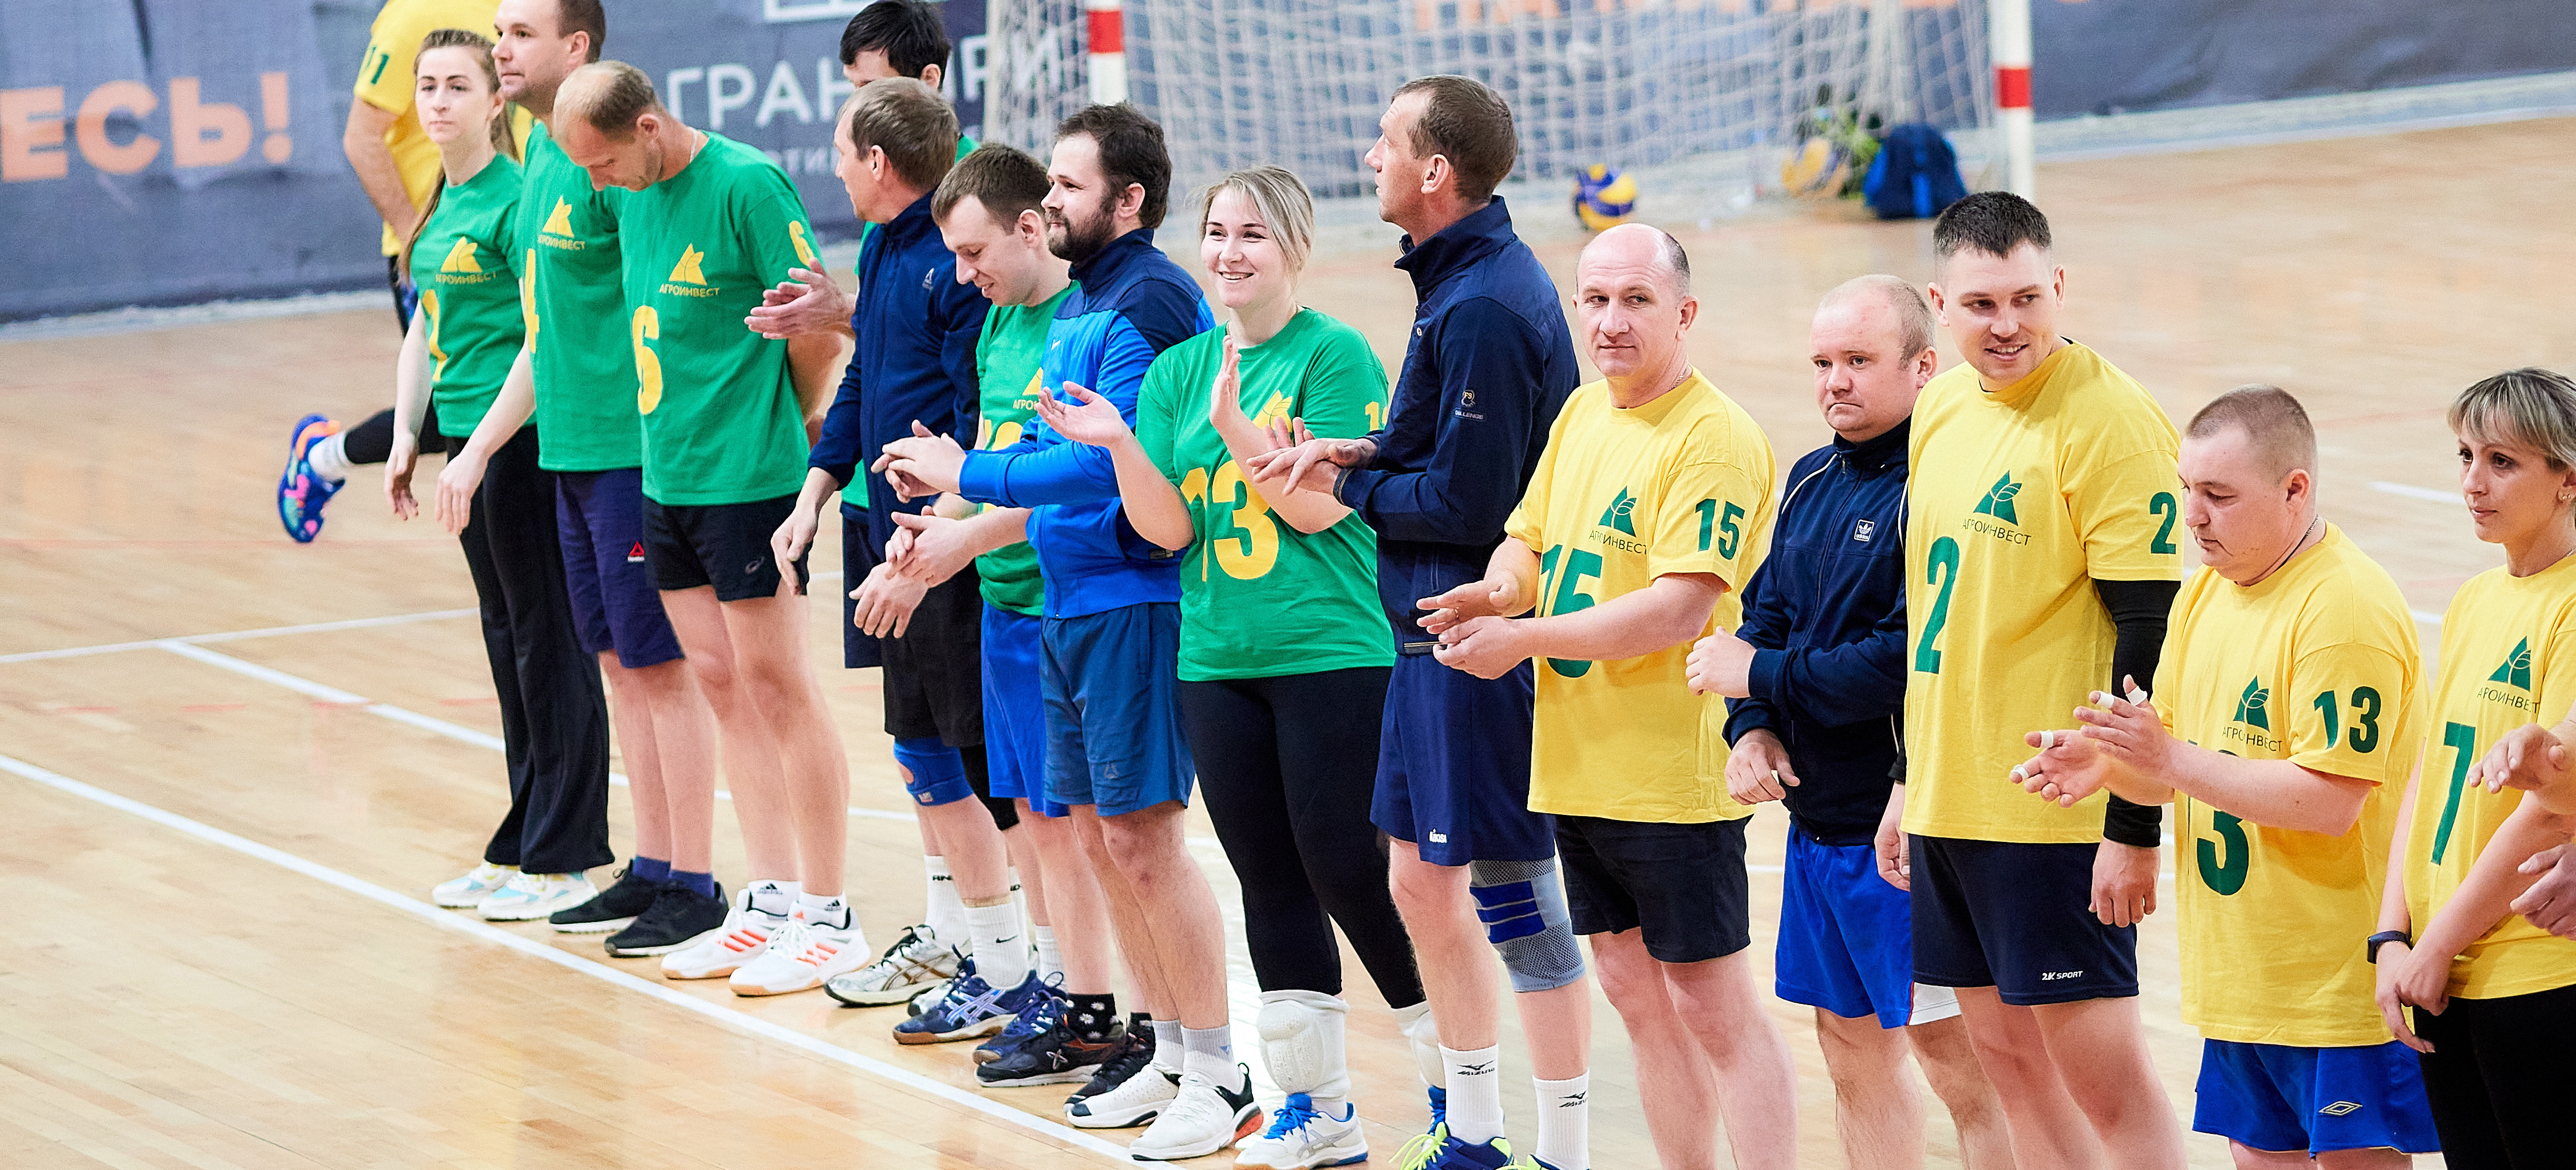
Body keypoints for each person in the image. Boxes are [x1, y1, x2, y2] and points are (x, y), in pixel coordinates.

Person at [1033, 164, 1430, 1169]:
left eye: (1252, 234)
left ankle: (1452, 1080)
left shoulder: (1333, 355)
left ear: (1292, 246)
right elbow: (1166, 530)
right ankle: (1319, 1110)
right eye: (1217, 232)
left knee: (1345, 868)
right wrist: (1124, 439)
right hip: (1217, 656)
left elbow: (1317, 509)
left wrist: (1237, 428)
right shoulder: (1179, 371)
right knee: (1270, 880)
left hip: (1329, 651)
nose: (1228, 252)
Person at [874, 104, 1248, 1161]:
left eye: (1071, 189)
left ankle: (1219, 1067)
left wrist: (966, 476)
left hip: (1134, 595)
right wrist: (954, 511)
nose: (1052, 204)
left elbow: (1101, 464)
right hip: (1066, 600)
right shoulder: (1086, 301)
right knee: (1094, 833)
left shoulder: (1151, 298)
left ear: (1128, 201)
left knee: (1143, 839)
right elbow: (1045, 441)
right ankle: (1169, 1047)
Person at [1247, 75, 1587, 1170]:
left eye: (1389, 141)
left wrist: (1343, 493)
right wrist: (1343, 449)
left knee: (1516, 900)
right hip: (1423, 641)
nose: (1370, 153)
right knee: (1417, 882)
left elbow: (1471, 503)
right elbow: (1428, 441)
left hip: (1474, 640)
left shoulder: (1486, 299)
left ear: (1435, 171)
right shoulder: (1455, 283)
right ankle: (1477, 1130)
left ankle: (1558, 1146)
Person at [1418, 224, 1787, 1170]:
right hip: (1578, 768)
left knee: (1713, 1004)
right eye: (1595, 300)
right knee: (1632, 990)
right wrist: (1498, 589)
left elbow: (1676, 610)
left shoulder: (1716, 437)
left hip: (1674, 775)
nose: (1610, 322)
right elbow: (1528, 540)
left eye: (1635, 301)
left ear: (1685, 313)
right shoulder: (1584, 414)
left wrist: (1521, 639)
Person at [2012, 385, 2436, 1167]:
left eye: (2219, 495)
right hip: (2241, 978)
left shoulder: (2344, 608)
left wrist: (2164, 757)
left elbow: (2331, 800)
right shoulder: (2206, 589)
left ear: (2295, 489)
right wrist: (2108, 759)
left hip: (2334, 991)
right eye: (2188, 491)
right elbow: (2184, 760)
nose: (2194, 515)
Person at [417, 0, 734, 957]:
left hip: (632, 453)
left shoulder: (611, 167)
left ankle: (695, 878)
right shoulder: (549, 158)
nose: (501, 46)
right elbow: (544, 327)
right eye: (499, 34)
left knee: (660, 663)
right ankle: (648, 862)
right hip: (567, 450)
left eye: (518, 34)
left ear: (576, 47)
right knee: (614, 661)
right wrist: (468, 444)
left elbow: (665, 300)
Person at [1692, 275, 2013, 1170]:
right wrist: (1751, 725)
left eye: (1859, 361)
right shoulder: (1810, 477)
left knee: (1963, 1063)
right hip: (1819, 829)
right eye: (1824, 362)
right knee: (1849, 1047)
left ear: (1923, 366)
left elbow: (1902, 660)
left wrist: (1756, 672)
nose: (1835, 381)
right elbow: (1766, 617)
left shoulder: (1938, 490)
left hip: (1908, 834)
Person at [552, 61, 858, 996]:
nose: (597, 186)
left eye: (604, 164)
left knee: (778, 684)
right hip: (665, 475)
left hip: (749, 480)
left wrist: (791, 425)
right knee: (721, 683)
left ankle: (826, 912)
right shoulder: (631, 193)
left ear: (648, 128)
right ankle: (764, 901)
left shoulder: (746, 184)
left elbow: (815, 324)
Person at [1900, 191, 2187, 1169]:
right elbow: (1937, 614)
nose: (2008, 324)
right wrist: (1910, 778)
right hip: (1951, 800)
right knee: (2007, 1068)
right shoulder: (1940, 405)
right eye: (1981, 305)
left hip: (2053, 814)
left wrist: (2134, 824)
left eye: (2027, 297)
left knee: (2102, 1080)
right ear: (1940, 303)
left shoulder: (2111, 420)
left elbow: (2152, 632)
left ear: (2059, 285)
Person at [766, 79, 1052, 1043]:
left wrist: (940, 533)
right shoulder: (887, 246)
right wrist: (815, 490)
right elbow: (867, 388)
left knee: (976, 765)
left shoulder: (955, 271)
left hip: (946, 548)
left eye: (843, 151)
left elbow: (978, 417)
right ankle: (992, 959)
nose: (835, 167)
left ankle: (1028, 969)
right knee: (921, 751)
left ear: (878, 164)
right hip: (886, 533)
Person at [880, 144, 1129, 1090]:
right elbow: (990, 457)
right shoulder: (994, 327)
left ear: (1032, 227)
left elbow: (1072, 485)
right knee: (1030, 811)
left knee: (1090, 824)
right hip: (1005, 605)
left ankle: (1106, 1007)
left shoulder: (1083, 324)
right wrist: (929, 524)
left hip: (1070, 604)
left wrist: (964, 535)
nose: (962, 273)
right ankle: (1073, 993)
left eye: (974, 250)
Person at [380, 29, 614, 924]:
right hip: (464, 441)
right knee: (508, 635)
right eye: (426, 86)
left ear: (491, 102)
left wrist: (478, 446)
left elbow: (540, 332)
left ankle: (567, 850)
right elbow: (422, 325)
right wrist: (409, 431)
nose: (437, 101)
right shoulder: (442, 199)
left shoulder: (519, 198)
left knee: (547, 637)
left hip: (518, 440)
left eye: (455, 86)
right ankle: (525, 834)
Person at [2374, 368, 2576, 1167]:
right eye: (2466, 455)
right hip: (2446, 966)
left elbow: (2554, 805)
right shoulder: (2475, 599)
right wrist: (2394, 933)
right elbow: (2429, 774)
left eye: (2503, 461)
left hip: (2532, 967)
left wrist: (2437, 944)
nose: (2473, 482)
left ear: (2569, 479)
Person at [279, 0, 520, 543]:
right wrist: (425, 239)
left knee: (517, 404)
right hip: (444, 252)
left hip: (510, 233)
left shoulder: (525, 13)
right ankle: (321, 460)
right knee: (450, 410)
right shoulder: (415, 16)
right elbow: (362, 139)